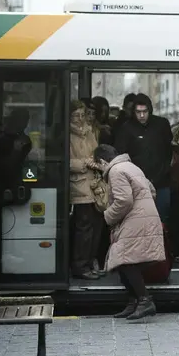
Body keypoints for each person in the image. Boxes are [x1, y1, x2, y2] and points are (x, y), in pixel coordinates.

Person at [94, 144, 166, 321]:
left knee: (124, 260)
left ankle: (144, 300)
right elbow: (152, 190)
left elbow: (124, 201)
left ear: (103, 161)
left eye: (99, 165)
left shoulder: (115, 171)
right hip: (143, 218)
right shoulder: (132, 167)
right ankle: (133, 301)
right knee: (122, 261)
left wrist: (108, 216)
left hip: (136, 220)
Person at [115, 93, 173, 224]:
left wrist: (163, 171)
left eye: (145, 111)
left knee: (162, 220)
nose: (141, 115)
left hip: (161, 182)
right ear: (133, 112)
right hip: (137, 184)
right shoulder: (127, 128)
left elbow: (168, 151)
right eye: (138, 112)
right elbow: (122, 157)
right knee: (139, 222)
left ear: (150, 110)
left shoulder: (161, 125)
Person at [68, 100, 103, 280]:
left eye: (82, 115)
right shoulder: (66, 135)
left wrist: (94, 161)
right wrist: (84, 163)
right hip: (78, 184)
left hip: (93, 184)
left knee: (95, 227)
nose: (80, 119)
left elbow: (96, 153)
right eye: (76, 115)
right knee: (83, 228)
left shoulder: (89, 131)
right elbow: (64, 161)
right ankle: (80, 266)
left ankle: (89, 262)